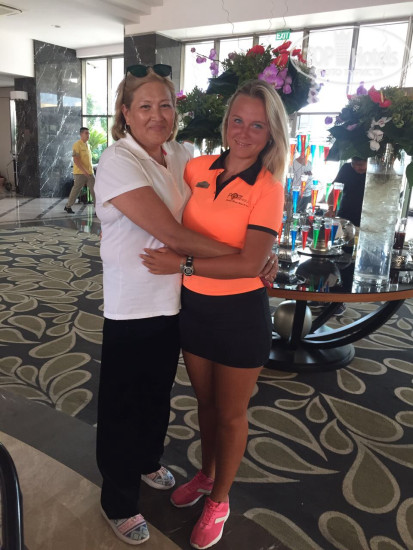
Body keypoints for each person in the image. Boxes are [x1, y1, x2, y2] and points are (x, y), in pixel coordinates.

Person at [94, 66, 279, 546]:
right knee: (121, 406)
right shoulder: (117, 159)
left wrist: (258, 253)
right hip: (132, 304)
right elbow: (175, 234)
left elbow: (218, 216)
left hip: (177, 302)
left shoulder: (183, 156)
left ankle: (147, 461)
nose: (157, 115)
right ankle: (118, 500)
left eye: (165, 105)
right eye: (145, 106)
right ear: (125, 113)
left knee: (157, 396)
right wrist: (249, 258)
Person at [141, 79, 288, 549]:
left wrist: (183, 264)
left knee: (230, 414)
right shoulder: (197, 168)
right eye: (237, 121)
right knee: (204, 405)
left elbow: (248, 264)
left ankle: (219, 499)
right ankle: (206, 475)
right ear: (226, 123)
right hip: (195, 308)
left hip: (240, 314)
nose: (244, 132)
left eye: (257, 125)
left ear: (271, 132)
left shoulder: (269, 188)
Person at [325, 156, 367, 226]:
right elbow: (334, 191)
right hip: (345, 214)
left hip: (366, 217)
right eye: (353, 164)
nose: (356, 168)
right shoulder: (346, 168)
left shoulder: (375, 173)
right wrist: (331, 208)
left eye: (360, 165)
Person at [64, 127, 95, 213]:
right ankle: (68, 206)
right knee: (76, 190)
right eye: (86, 133)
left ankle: (98, 209)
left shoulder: (88, 145)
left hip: (90, 173)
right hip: (80, 173)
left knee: (95, 190)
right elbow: (76, 160)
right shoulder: (77, 145)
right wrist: (84, 172)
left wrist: (89, 171)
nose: (88, 135)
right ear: (81, 134)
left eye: (89, 133)